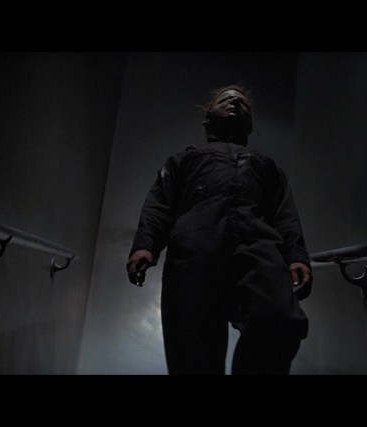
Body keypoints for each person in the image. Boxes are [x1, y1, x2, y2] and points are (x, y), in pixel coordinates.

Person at [126, 85, 312, 375]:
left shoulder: (265, 166)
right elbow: (159, 205)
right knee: (192, 342)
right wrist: (145, 244)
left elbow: (284, 214)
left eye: (242, 103)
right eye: (226, 99)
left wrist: (296, 255)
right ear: (207, 118)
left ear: (249, 125)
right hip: (195, 253)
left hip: (257, 251)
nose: (235, 102)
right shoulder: (183, 161)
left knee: (280, 319)